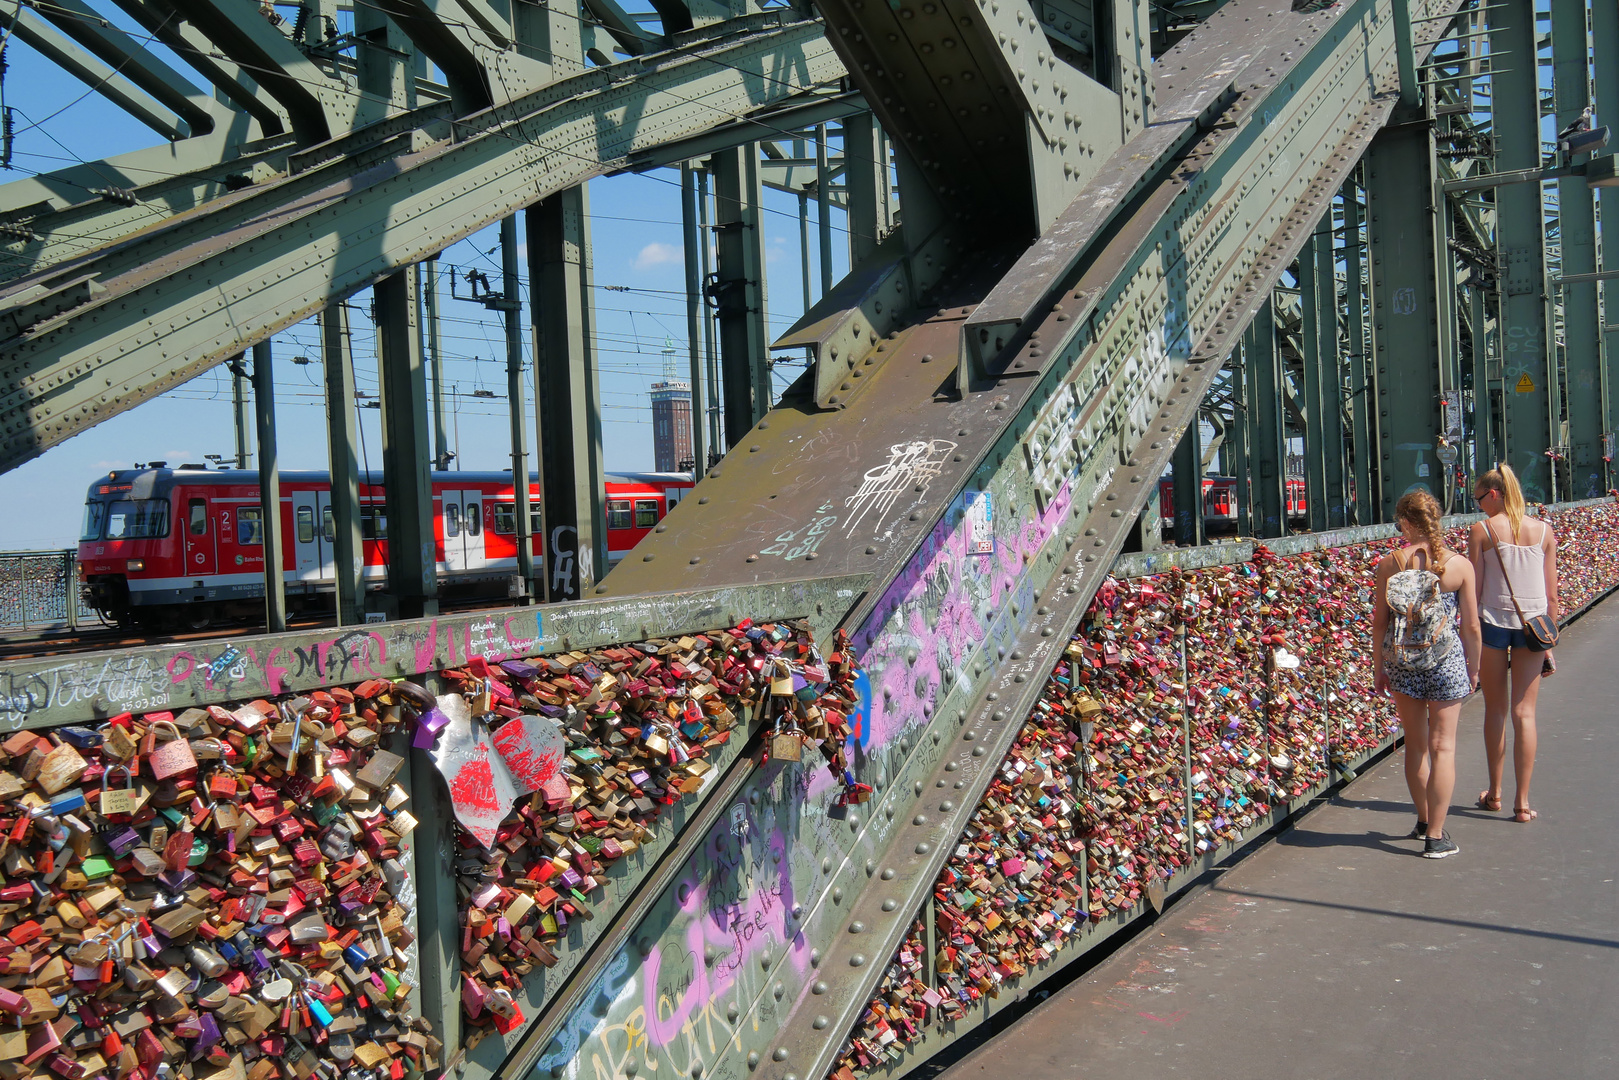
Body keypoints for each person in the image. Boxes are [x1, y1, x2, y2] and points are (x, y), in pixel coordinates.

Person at [1373, 490, 1481, 859]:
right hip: (1446, 661)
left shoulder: (1390, 564)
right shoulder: (1459, 565)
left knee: (1415, 745)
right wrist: (1473, 667)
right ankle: (1437, 835)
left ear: (1405, 522)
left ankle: (1422, 820)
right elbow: (1471, 627)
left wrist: (1379, 667)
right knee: (1443, 747)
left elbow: (1379, 625)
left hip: (1403, 663)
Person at [1468, 464, 1557, 824]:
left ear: (1493, 494)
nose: (1478, 507)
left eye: (1478, 499)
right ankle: (1522, 804)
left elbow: (1473, 594)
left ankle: (1495, 794)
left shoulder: (1482, 530)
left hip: (1492, 624)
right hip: (1534, 626)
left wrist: (1467, 642)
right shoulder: (1544, 531)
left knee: (1495, 709)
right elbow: (1551, 595)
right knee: (1525, 713)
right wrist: (1548, 644)